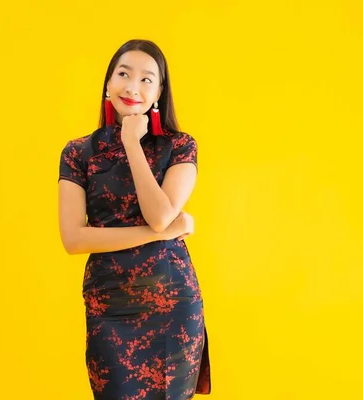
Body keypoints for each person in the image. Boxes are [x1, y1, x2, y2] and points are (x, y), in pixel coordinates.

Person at [58, 39, 211, 399]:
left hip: (173, 305)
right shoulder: (79, 152)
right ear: (107, 83)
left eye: (147, 79)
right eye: (124, 74)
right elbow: (73, 239)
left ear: (159, 92)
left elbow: (159, 215)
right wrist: (163, 233)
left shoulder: (180, 146)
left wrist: (131, 142)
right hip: (110, 306)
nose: (132, 86)